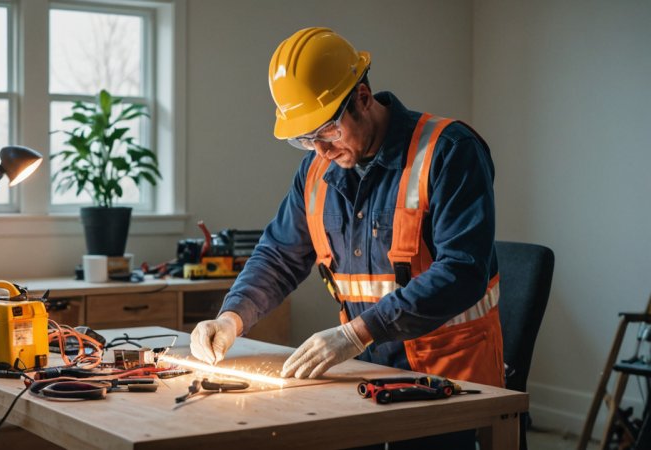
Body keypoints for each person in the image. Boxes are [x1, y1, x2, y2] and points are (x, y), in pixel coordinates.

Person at [190, 27, 503, 449]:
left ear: (362, 98)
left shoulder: (448, 151)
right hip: (366, 378)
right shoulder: (317, 172)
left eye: (327, 131)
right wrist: (232, 318)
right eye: (305, 140)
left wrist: (356, 333)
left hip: (452, 384)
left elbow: (463, 270)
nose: (319, 150)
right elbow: (280, 255)